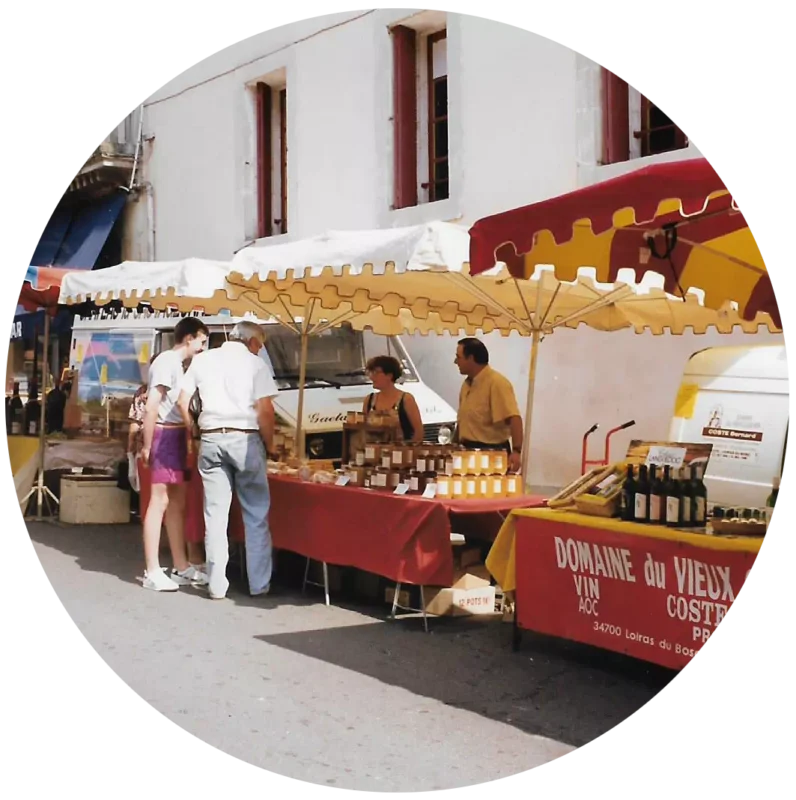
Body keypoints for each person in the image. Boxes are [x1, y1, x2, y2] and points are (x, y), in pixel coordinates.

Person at [177, 320, 279, 600]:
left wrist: (194, 431)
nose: (260, 350)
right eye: (260, 345)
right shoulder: (255, 364)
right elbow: (266, 411)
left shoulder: (203, 360)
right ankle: (259, 585)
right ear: (253, 342)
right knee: (256, 514)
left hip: (210, 438)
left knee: (216, 514)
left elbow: (181, 401)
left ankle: (217, 585)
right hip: (245, 438)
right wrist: (271, 445)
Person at [140, 317, 210, 592]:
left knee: (178, 501)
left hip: (176, 434)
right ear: (190, 338)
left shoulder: (181, 365)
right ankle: (152, 569)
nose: (204, 347)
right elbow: (152, 405)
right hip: (164, 434)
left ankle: (181, 566)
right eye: (202, 341)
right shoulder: (167, 362)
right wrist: (148, 444)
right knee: (159, 501)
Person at [454, 337, 523, 473]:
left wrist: (516, 451)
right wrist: (454, 444)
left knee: (489, 493)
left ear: (471, 358)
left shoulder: (497, 383)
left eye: (459, 357)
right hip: (467, 452)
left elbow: (514, 418)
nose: (456, 362)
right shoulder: (466, 384)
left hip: (492, 454)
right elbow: (463, 419)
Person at [363, 355, 423, 444]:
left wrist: (408, 451)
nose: (372, 377)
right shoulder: (369, 400)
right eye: (371, 373)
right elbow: (362, 430)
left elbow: (419, 432)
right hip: (373, 455)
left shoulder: (406, 399)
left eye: (376, 373)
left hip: (401, 455)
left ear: (389, 375)